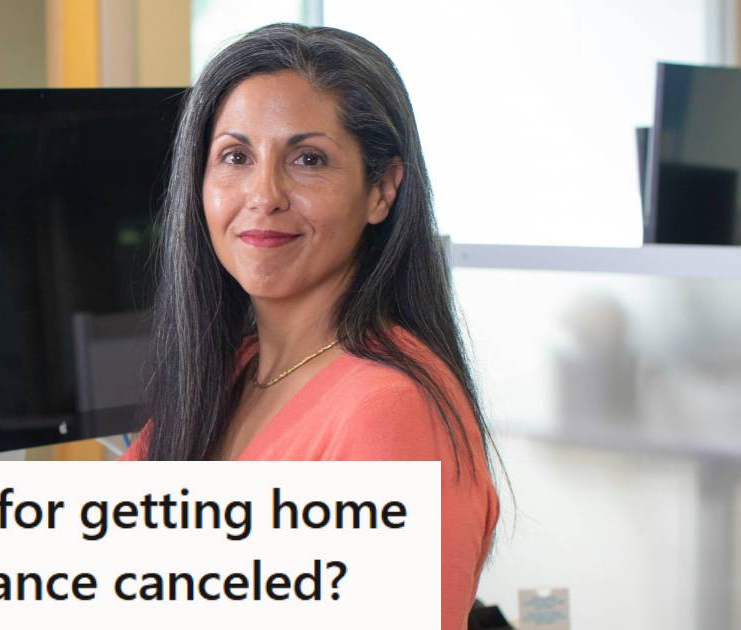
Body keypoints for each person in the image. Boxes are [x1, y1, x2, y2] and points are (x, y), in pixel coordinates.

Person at [119, 23, 501, 628]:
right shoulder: (226, 375)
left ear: (382, 190)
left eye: (308, 159)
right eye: (235, 157)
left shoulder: (391, 412)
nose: (263, 194)